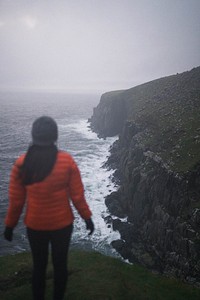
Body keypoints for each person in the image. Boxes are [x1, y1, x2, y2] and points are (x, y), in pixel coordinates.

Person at [4, 115, 94, 300]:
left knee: (39, 267)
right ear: (55, 135)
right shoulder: (66, 161)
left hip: (35, 226)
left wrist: (9, 226)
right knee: (60, 265)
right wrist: (87, 218)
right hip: (62, 225)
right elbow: (77, 196)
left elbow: (16, 201)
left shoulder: (22, 163)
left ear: (33, 136)